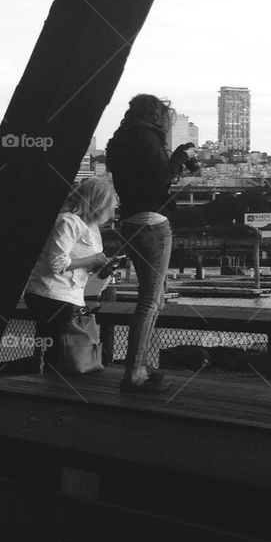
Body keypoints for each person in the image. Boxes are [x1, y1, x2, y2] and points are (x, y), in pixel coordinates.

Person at [106, 94, 200, 393]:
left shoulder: (118, 140)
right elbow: (161, 178)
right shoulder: (146, 136)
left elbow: (139, 177)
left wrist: (175, 160)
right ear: (156, 114)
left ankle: (141, 367)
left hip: (130, 220)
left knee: (155, 298)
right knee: (149, 300)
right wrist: (180, 158)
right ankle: (134, 372)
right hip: (152, 222)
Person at [24, 176, 118, 374]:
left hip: (68, 294)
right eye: (108, 208)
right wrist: (92, 260)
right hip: (52, 294)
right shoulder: (68, 222)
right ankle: (55, 386)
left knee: (62, 353)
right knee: (62, 354)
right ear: (97, 204)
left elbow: (79, 263)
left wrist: (99, 267)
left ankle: (53, 384)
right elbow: (57, 263)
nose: (110, 213)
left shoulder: (88, 226)